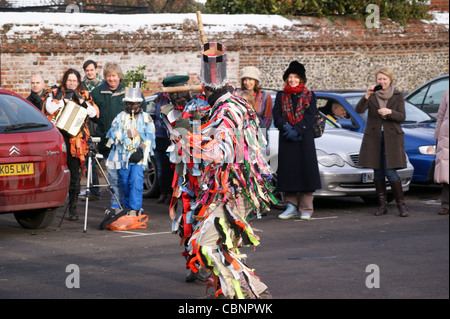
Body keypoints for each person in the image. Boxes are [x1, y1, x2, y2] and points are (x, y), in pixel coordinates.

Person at [174, 42, 274, 299]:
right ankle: (241, 293)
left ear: (209, 89)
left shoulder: (228, 109)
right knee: (223, 245)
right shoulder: (235, 104)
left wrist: (188, 139)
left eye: (205, 91)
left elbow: (220, 153)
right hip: (233, 189)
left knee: (206, 245)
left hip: (232, 191)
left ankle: (250, 292)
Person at [90, 62, 147, 212]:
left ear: (119, 76)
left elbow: (143, 110)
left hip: (129, 145)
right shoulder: (96, 93)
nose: (111, 79)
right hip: (109, 144)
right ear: (105, 77)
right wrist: (103, 128)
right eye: (108, 76)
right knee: (114, 178)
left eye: (114, 76)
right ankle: (116, 205)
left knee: (129, 177)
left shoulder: (129, 92)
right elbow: (93, 115)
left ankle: (129, 207)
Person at [43, 68, 99, 221]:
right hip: (58, 140)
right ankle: (47, 205)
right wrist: (64, 101)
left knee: (74, 175)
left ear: (78, 82)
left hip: (76, 141)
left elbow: (93, 113)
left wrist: (80, 101)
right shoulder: (55, 93)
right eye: (69, 80)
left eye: (74, 81)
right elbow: (49, 108)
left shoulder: (84, 95)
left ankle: (72, 208)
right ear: (65, 81)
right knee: (54, 172)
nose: (72, 83)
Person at [355, 66, 409, 217]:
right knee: (377, 171)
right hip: (374, 138)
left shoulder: (397, 95)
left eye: (384, 79)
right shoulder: (372, 96)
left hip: (392, 138)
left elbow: (402, 117)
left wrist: (390, 112)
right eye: (379, 79)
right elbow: (358, 110)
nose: (382, 81)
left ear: (390, 80)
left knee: (390, 171)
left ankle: (401, 206)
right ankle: (382, 206)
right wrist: (366, 95)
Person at [273, 61, 321, 220]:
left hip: (304, 139)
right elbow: (277, 115)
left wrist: (298, 130)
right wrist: (286, 128)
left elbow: (310, 116)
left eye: (296, 77)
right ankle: (291, 206)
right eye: (290, 77)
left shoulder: (309, 95)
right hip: (287, 139)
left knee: (306, 172)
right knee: (289, 173)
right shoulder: (281, 95)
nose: (292, 80)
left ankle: (306, 208)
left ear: (301, 79)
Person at [105, 84, 155, 215]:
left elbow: (150, 138)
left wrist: (140, 150)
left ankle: (135, 208)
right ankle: (125, 208)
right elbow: (112, 134)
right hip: (122, 157)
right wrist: (125, 135)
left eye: (135, 103)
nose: (133, 105)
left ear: (139, 103)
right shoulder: (119, 117)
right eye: (130, 103)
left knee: (136, 181)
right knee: (124, 182)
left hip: (138, 158)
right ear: (126, 103)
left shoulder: (146, 118)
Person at [151, 75, 191, 205]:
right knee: (162, 168)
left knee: (178, 168)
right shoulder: (158, 100)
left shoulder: (187, 104)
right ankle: (164, 192)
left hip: (181, 142)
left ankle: (175, 194)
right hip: (161, 137)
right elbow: (152, 117)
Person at [80, 59, 102, 201]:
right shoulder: (81, 86)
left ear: (96, 70)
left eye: (91, 70)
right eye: (87, 70)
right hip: (88, 126)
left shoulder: (103, 85)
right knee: (90, 159)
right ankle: (93, 190)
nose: (89, 73)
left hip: (100, 124)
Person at [434, 88, 449, 215]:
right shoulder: (447, 92)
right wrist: (437, 136)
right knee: (446, 170)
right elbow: (441, 115)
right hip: (447, 136)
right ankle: (446, 205)